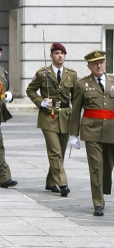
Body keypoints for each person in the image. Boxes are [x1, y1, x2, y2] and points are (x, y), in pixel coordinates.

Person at [69, 50, 114, 216]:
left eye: (101, 62)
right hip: (91, 130)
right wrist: (73, 134)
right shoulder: (82, 84)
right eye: (95, 63)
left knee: (109, 164)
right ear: (89, 66)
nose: (99, 65)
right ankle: (98, 202)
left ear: (105, 63)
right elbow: (76, 111)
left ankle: (103, 190)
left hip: (111, 129)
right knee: (96, 167)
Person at [26, 43, 77, 196]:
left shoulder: (71, 74)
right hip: (48, 116)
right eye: (56, 53)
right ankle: (63, 183)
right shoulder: (42, 73)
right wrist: (40, 102)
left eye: (62, 53)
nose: (60, 55)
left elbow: (76, 97)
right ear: (51, 56)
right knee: (54, 151)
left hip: (65, 116)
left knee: (59, 152)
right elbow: (30, 90)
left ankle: (51, 182)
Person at [0, 45, 16, 189]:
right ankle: (4, 177)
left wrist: (9, 96)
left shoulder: (2, 72)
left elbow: (7, 89)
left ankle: (4, 178)